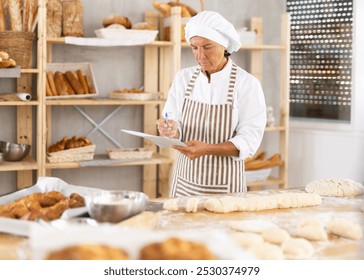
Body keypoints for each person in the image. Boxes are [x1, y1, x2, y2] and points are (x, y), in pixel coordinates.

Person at [156, 11, 266, 197]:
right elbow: (173, 119)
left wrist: (207, 149)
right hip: (184, 182)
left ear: (224, 46)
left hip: (226, 189)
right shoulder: (183, 78)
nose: (200, 56)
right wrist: (170, 129)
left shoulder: (246, 84)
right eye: (194, 48)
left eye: (207, 47)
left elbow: (249, 140)